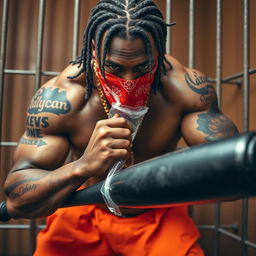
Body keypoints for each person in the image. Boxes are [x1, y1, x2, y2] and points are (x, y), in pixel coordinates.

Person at [4, 0, 238, 255]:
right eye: (114, 67)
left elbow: (234, 180)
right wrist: (83, 166)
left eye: (142, 67)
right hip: (84, 211)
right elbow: (18, 201)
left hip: (158, 215)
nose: (128, 82)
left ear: (158, 51)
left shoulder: (186, 90)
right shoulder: (62, 97)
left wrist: (175, 169)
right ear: (94, 50)